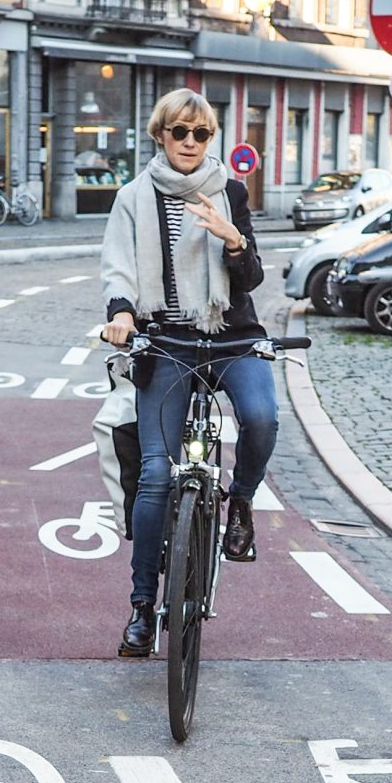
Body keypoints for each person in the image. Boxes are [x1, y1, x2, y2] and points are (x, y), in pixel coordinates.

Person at [98, 88, 269, 659]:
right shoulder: (133, 197)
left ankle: (239, 503)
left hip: (231, 337)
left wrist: (233, 240)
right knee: (153, 476)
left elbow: (250, 282)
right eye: (180, 132)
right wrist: (121, 314)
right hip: (165, 341)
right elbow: (118, 266)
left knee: (263, 417)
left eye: (201, 134)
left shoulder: (231, 193)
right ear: (160, 135)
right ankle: (142, 608)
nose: (191, 143)